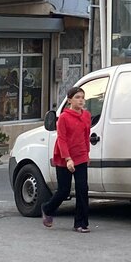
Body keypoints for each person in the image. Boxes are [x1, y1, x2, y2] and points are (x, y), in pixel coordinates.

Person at [41, 86, 92, 232]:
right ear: (69, 100)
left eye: (82, 97)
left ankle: (81, 223)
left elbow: (85, 136)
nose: (81, 100)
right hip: (64, 157)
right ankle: (47, 209)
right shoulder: (64, 117)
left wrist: (87, 154)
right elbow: (62, 139)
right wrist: (68, 159)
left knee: (83, 189)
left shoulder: (86, 115)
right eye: (77, 97)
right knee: (64, 190)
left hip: (80, 155)